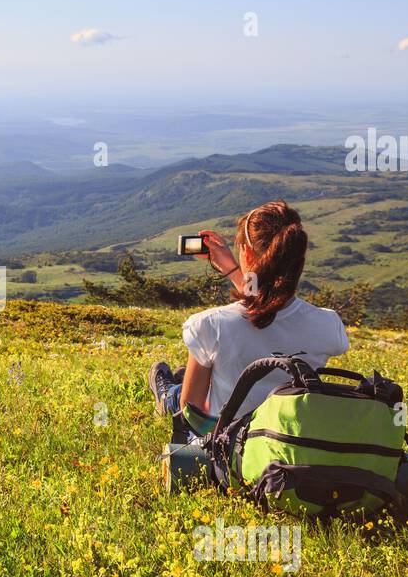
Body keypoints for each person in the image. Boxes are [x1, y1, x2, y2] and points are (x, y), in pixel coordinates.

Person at [147, 200, 350, 489]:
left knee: (184, 393)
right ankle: (176, 384)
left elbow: (192, 410)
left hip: (232, 453)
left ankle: (167, 394)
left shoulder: (210, 325)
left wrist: (236, 269)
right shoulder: (329, 325)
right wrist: (234, 269)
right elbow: (273, 310)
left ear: (247, 252)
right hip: (290, 445)